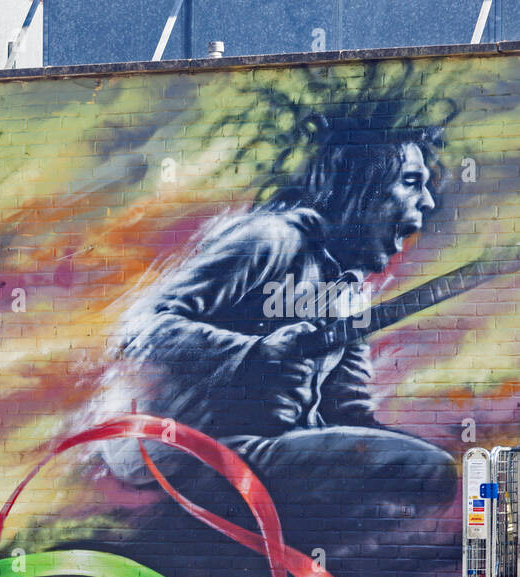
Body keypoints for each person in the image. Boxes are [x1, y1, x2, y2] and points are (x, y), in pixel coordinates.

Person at [98, 119, 457, 545]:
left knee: (416, 490)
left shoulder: (350, 296)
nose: (428, 201)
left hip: (263, 453)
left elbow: (347, 412)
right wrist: (253, 353)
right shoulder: (272, 240)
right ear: (359, 188)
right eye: (411, 182)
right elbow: (141, 329)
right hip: (192, 454)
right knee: (422, 469)